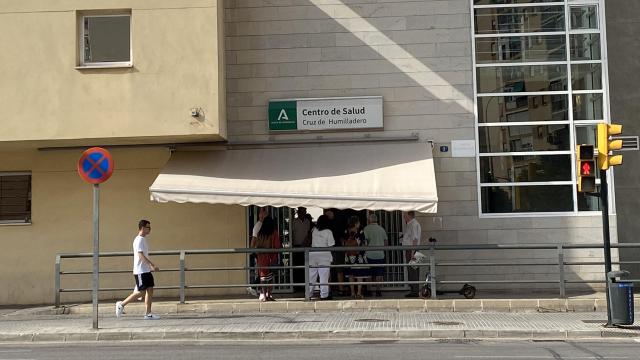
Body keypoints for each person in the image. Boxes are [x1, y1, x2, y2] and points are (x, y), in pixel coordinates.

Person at [115, 220, 160, 320]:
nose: (150, 229)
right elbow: (140, 255)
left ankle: (148, 313)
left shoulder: (143, 239)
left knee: (150, 289)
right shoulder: (139, 240)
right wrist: (152, 265)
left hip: (145, 271)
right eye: (148, 227)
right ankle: (121, 304)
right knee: (141, 292)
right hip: (140, 271)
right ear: (143, 228)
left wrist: (149, 267)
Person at [251, 216, 277, 302]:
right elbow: (276, 246)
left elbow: (256, 245)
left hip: (260, 257)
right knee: (270, 278)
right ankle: (268, 295)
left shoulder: (260, 234)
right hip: (269, 257)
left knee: (263, 277)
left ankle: (264, 295)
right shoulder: (272, 233)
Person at [309, 215, 335, 300]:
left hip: (312, 255)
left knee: (311, 276)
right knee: (324, 277)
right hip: (324, 256)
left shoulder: (314, 230)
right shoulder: (328, 232)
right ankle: (324, 295)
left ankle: (308, 294)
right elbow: (331, 245)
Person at [343, 216, 369, 299]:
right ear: (355, 223)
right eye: (358, 222)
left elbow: (343, 243)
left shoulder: (346, 231)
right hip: (359, 256)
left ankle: (352, 292)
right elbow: (363, 243)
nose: (359, 224)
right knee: (359, 275)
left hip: (349, 256)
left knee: (351, 275)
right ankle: (358, 292)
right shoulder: (360, 232)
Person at [364, 213, 388, 297]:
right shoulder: (382, 229)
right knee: (379, 273)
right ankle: (378, 290)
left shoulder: (366, 229)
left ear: (369, 220)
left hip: (369, 254)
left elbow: (365, 242)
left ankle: (369, 290)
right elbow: (386, 242)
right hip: (380, 254)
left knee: (369, 273)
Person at [247, 207, 268, 297]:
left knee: (263, 271)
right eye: (264, 214)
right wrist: (252, 250)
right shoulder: (258, 226)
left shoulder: (261, 225)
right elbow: (254, 238)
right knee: (263, 271)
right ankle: (254, 287)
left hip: (260, 251)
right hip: (259, 251)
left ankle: (257, 288)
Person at [291, 207, 312, 291]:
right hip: (296, 246)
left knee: (305, 266)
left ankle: (304, 285)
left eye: (305, 211)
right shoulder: (294, 221)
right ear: (299, 212)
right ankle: (297, 285)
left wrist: (307, 242)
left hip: (305, 247)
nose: (304, 213)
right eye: (302, 211)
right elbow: (291, 233)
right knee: (297, 266)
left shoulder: (307, 222)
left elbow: (309, 233)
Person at [402, 211, 422, 297]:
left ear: (409, 215)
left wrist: (412, 252)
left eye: (405, 215)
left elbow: (415, 239)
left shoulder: (413, 224)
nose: (403, 217)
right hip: (413, 249)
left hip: (412, 250)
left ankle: (414, 291)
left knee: (412, 270)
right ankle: (414, 290)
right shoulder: (413, 223)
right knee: (413, 270)